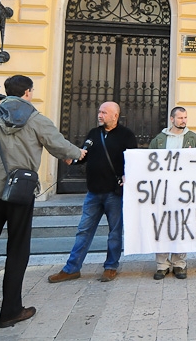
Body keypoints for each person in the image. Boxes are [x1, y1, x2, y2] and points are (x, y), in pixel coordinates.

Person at [0, 75, 84, 332]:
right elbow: (58, 145)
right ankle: (11, 311)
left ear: (7, 92)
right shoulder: (35, 118)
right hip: (20, 193)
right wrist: (77, 153)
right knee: (17, 250)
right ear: (27, 92)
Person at [48, 102, 137, 284]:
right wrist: (70, 159)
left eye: (104, 112)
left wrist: (127, 176)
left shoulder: (126, 135)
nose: (100, 115)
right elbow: (84, 155)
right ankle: (72, 269)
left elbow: (133, 160)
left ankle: (111, 267)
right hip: (93, 193)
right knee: (83, 231)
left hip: (114, 194)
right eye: (99, 111)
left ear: (115, 116)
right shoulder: (93, 134)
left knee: (114, 233)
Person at [148, 106, 196, 280]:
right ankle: (162, 264)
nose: (183, 121)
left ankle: (179, 263)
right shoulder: (159, 139)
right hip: (163, 190)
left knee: (182, 226)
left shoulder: (193, 138)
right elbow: (148, 163)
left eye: (185, 117)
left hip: (184, 191)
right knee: (162, 226)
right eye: (180, 118)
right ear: (172, 119)